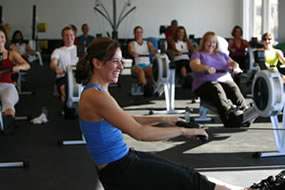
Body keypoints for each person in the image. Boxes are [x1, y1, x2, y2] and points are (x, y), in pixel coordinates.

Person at [75, 37, 285, 190]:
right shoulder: (96, 96)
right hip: (119, 169)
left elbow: (125, 118)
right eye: (115, 61)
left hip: (123, 160)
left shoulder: (99, 91)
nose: (121, 66)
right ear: (97, 63)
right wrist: (183, 131)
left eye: (121, 61)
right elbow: (140, 133)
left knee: (189, 177)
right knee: (189, 181)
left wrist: (165, 118)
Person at [190, 31, 249, 128]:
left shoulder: (221, 54)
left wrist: (235, 67)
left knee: (232, 86)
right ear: (203, 42)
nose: (211, 44)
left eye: (213, 42)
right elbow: (194, 65)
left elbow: (233, 62)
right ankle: (228, 115)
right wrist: (206, 68)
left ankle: (245, 111)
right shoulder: (198, 54)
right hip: (203, 85)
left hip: (223, 82)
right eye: (208, 42)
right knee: (216, 87)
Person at [0, 25, 31, 135]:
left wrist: (18, 67)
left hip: (8, 85)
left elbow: (27, 65)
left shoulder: (11, 54)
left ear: (5, 39)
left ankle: (7, 122)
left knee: (8, 102)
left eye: (2, 37)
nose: (0, 39)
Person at [50, 25, 78, 118]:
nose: (69, 37)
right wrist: (56, 68)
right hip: (63, 77)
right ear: (63, 37)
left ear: (74, 36)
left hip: (78, 76)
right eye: (66, 35)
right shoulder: (58, 51)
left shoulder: (80, 49)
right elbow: (53, 63)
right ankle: (69, 109)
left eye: (71, 35)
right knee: (65, 91)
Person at [128, 26, 158, 93]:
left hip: (147, 65)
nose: (139, 34)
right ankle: (145, 88)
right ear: (134, 33)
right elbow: (131, 51)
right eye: (137, 32)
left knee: (152, 70)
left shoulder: (148, 43)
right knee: (140, 71)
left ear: (142, 33)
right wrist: (133, 53)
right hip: (137, 65)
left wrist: (156, 52)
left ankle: (156, 87)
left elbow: (153, 49)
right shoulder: (132, 43)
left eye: (140, 32)